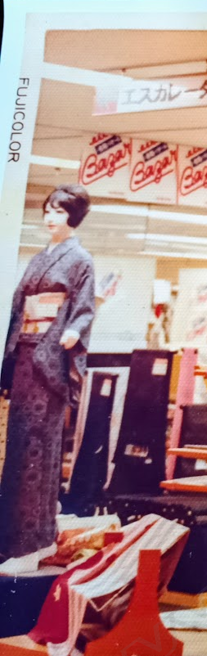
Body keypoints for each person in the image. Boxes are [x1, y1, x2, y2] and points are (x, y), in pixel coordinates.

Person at [0, 184, 96, 574]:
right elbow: (20, 307)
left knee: (38, 450)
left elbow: (84, 309)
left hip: (50, 361)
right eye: (47, 210)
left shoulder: (81, 260)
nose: (50, 217)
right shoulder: (40, 258)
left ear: (73, 215)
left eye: (58, 210)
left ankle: (34, 543)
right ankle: (12, 541)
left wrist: (71, 334)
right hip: (25, 357)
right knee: (18, 449)